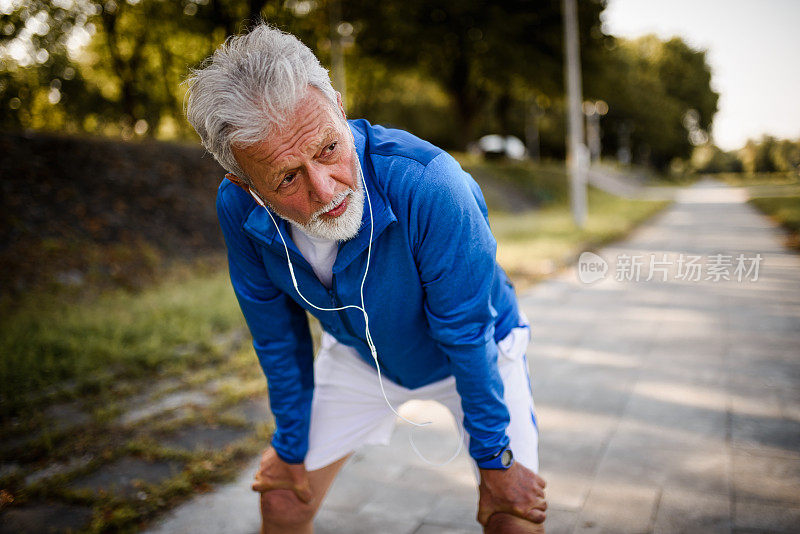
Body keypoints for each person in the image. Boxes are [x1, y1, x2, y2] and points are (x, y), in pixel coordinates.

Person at [184, 23, 547, 534]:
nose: (325, 187)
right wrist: (289, 445)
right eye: (288, 177)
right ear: (244, 182)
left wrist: (495, 461)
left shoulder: (430, 183)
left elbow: (467, 332)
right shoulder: (238, 207)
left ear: (336, 102)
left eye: (329, 148)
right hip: (361, 361)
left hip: (477, 351)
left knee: (513, 515)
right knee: (283, 500)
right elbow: (277, 337)